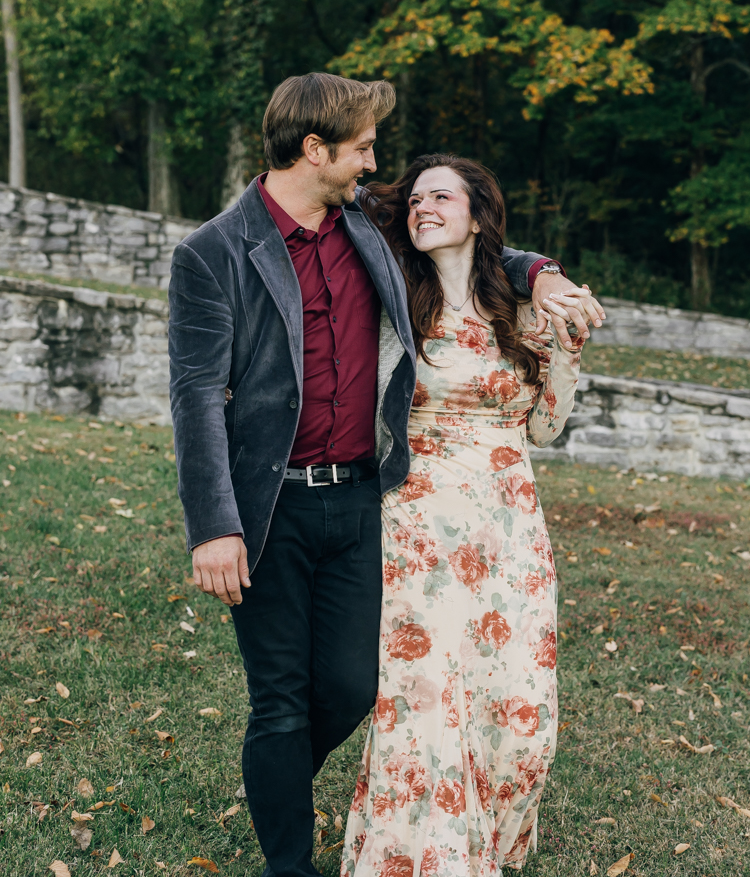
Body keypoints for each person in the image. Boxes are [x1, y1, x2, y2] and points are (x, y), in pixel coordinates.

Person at [168, 73, 604, 877]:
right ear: (315, 149)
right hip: (267, 510)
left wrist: (542, 270)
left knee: (351, 684)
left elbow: (480, 242)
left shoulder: (364, 223)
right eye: (363, 148)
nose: (375, 167)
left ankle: (276, 788)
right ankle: (288, 864)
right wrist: (214, 526)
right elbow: (195, 394)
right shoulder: (212, 251)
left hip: (364, 499)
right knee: (280, 702)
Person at [342, 155, 584, 877]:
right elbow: (355, 198)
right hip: (419, 525)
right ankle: (423, 856)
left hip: (511, 526)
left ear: (478, 215)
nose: (422, 207)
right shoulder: (393, 304)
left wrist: (566, 342)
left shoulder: (522, 311)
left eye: (440, 197)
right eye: (414, 199)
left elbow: (545, 429)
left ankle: (492, 844)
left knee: (522, 707)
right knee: (426, 698)